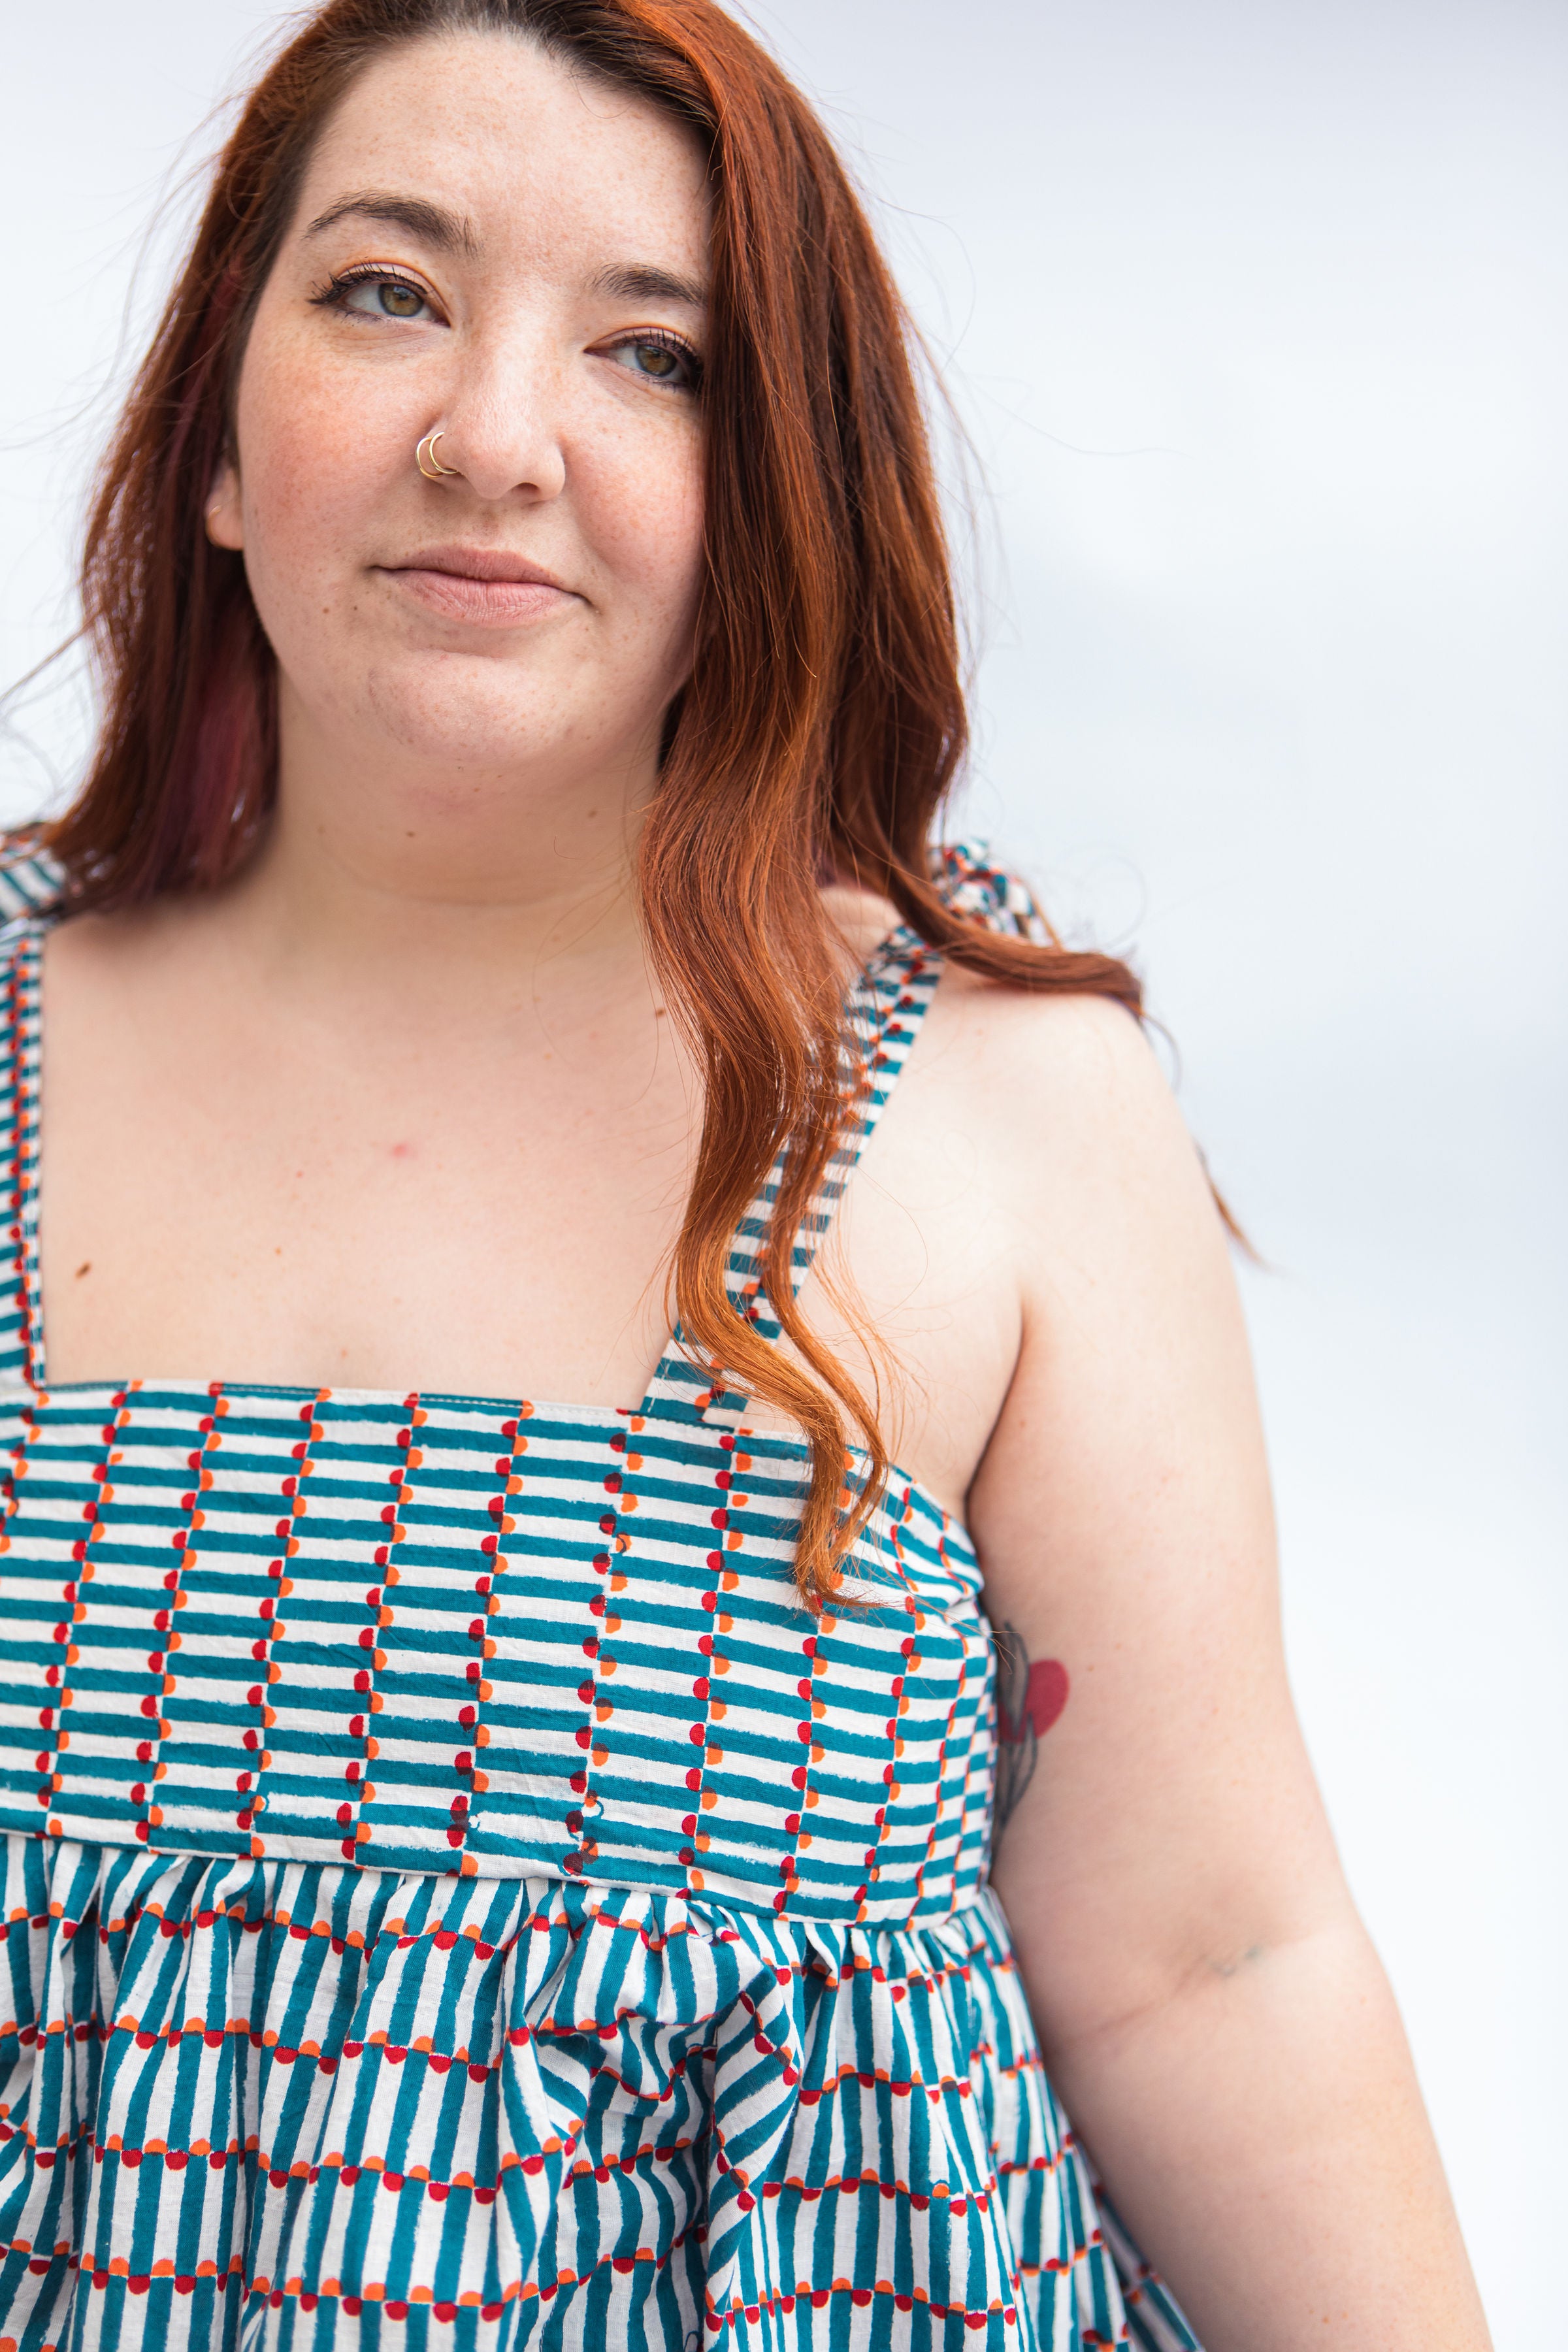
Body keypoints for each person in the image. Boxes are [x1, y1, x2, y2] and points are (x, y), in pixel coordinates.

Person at [0, 3, 1492, 2347]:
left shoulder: (1004, 1108)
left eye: (655, 359)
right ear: (208, 433)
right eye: (387, 292)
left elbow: (1217, 1965)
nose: (495, 439)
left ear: (775, 489)